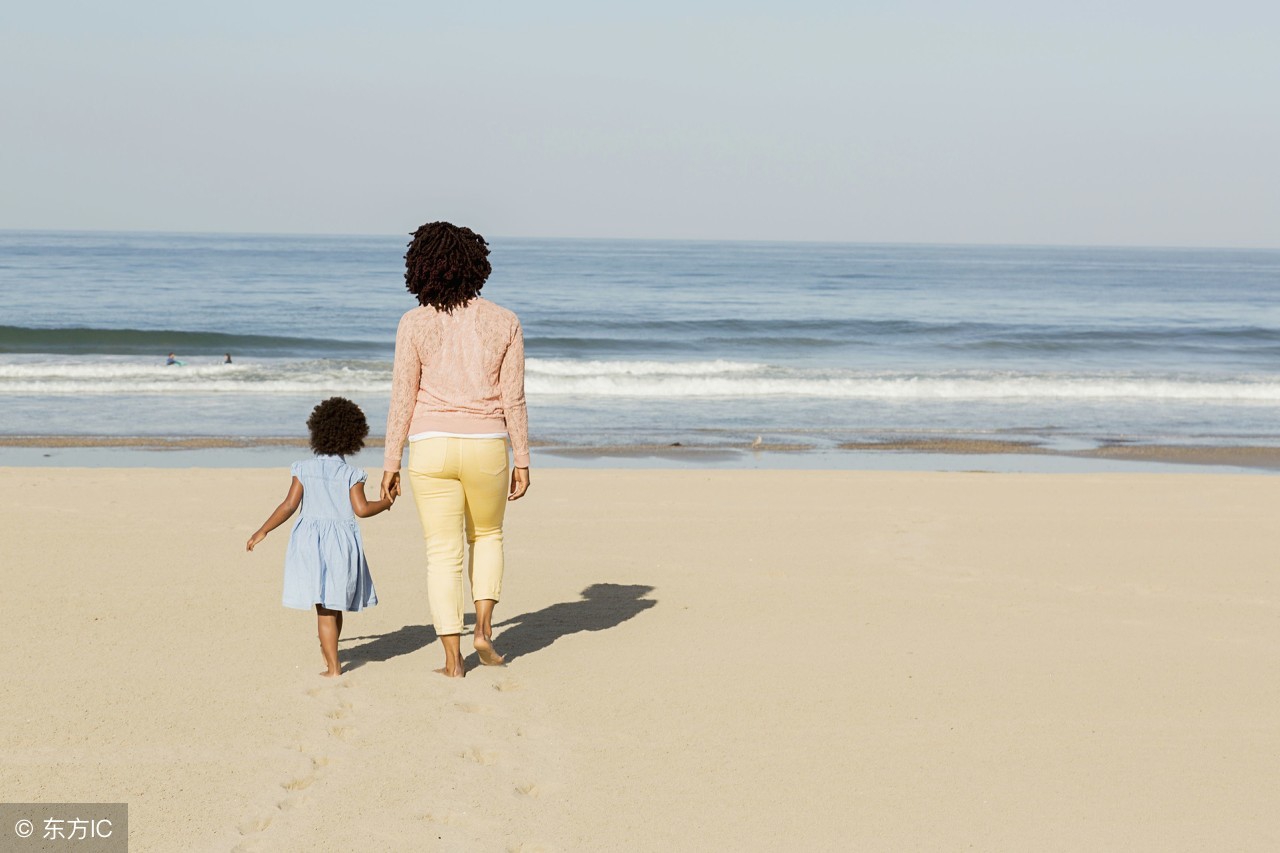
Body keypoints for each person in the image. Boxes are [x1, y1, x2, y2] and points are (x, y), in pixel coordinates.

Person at [381, 221, 531, 678]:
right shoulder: (505, 320)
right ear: (476, 265)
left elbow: (403, 396)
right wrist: (521, 457)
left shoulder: (414, 322)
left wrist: (391, 462)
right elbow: (514, 397)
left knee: (441, 553)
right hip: (487, 443)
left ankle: (452, 662)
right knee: (486, 536)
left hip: (430, 446)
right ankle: (483, 629)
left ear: (421, 266)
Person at [247, 397, 393, 676]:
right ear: (353, 437)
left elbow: (289, 505)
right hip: (341, 545)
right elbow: (361, 510)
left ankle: (334, 667)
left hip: (310, 545)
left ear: (317, 431)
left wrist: (263, 530)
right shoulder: (351, 474)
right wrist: (386, 502)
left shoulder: (304, 469)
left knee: (324, 608)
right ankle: (331, 656)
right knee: (333, 605)